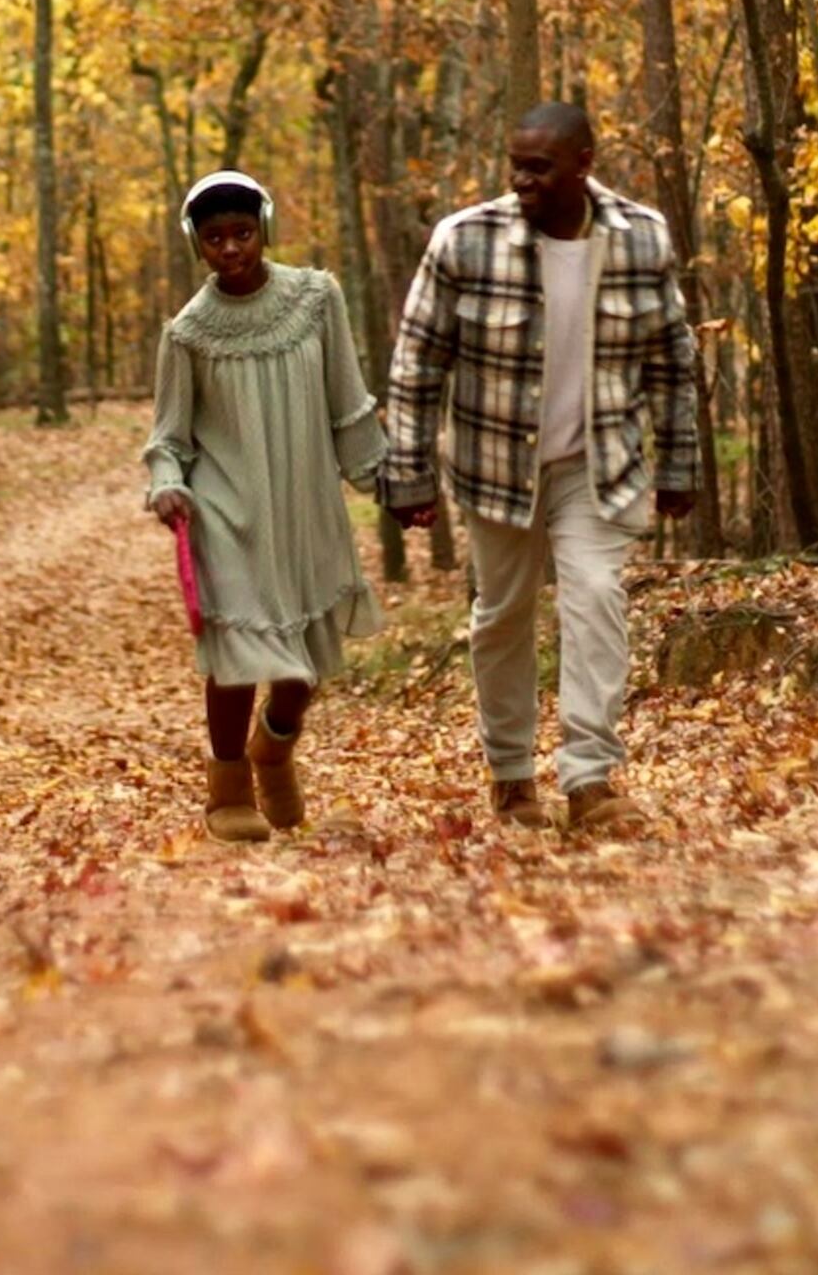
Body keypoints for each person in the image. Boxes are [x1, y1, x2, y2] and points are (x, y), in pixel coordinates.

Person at [382, 103, 702, 835]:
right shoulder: (465, 240)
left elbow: (671, 360)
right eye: (515, 166)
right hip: (494, 466)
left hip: (596, 463)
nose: (522, 181)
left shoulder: (640, 238)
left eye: (539, 167)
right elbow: (417, 363)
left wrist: (679, 462)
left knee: (595, 596)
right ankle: (511, 776)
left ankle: (590, 779)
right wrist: (407, 474)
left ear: (583, 163)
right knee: (503, 616)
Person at [142, 170, 386, 842]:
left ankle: (273, 749)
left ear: (264, 229)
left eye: (242, 234)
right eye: (215, 238)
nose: (230, 250)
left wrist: (385, 478)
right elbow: (168, 437)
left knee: (306, 658)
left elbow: (349, 399)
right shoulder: (188, 334)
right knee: (238, 650)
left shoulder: (315, 300)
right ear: (197, 243)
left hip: (305, 502)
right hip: (229, 512)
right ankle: (228, 790)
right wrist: (167, 485)